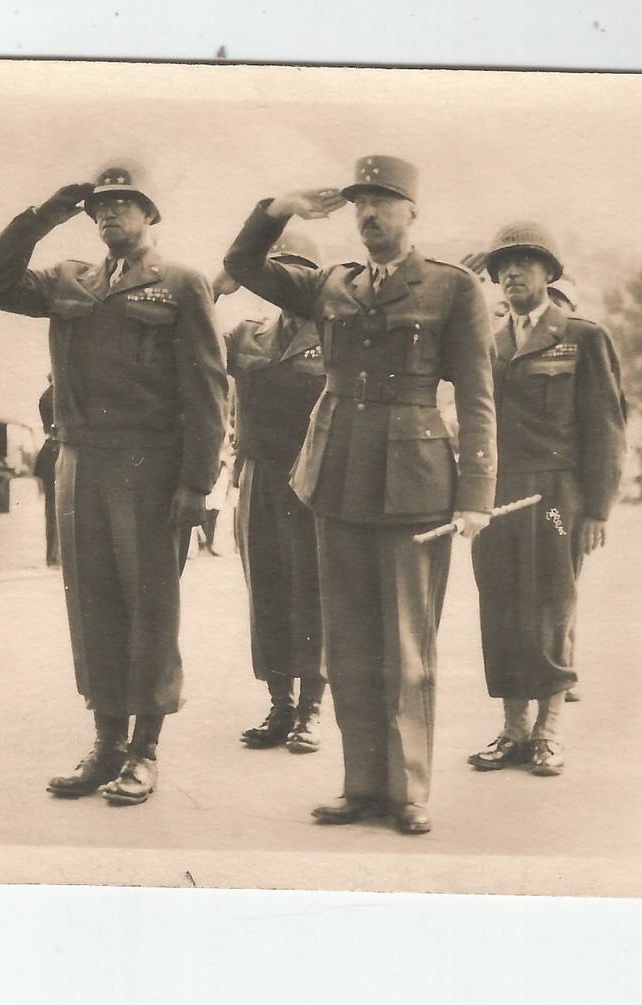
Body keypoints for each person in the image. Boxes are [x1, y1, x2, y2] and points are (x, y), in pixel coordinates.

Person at [223, 155, 497, 835]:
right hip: (334, 474)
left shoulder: (450, 288)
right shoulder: (330, 285)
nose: (368, 214)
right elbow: (243, 264)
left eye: (382, 201)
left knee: (405, 647)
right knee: (345, 642)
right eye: (358, 204)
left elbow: (477, 395)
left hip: (415, 482)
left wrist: (477, 493)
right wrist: (278, 205)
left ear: (411, 212)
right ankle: (360, 786)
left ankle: (407, 793)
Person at [0, 162, 226, 806]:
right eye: (99, 207)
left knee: (150, 608)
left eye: (124, 204)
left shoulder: (182, 285)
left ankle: (144, 750)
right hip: (79, 462)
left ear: (150, 215)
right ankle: (106, 742)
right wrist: (45, 215)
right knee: (92, 605)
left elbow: (208, 392)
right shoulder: (69, 280)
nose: (109, 215)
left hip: (150, 466)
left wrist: (196, 486)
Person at [464, 223, 626, 777]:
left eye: (525, 263)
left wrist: (598, 509)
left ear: (549, 273)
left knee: (551, 606)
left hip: (557, 495)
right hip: (498, 491)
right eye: (503, 266)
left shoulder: (582, 336)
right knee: (501, 605)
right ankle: (512, 729)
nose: (512, 273)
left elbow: (606, 428)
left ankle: (548, 731)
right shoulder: (487, 338)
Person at [213, 229, 329, 753]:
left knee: (314, 590)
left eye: (299, 272)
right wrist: (215, 290)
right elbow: (192, 351)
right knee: (266, 588)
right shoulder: (247, 334)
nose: (286, 282)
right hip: (259, 475)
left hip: (316, 479)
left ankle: (311, 710)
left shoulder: (337, 335)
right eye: (277, 269)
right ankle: (280, 703)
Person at [35, 376, 60, 567]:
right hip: (59, 450)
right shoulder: (57, 396)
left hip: (50, 451)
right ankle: (55, 556)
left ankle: (53, 555)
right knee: (55, 508)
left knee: (51, 508)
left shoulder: (46, 396)